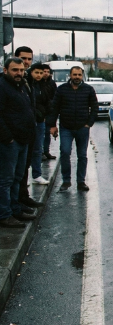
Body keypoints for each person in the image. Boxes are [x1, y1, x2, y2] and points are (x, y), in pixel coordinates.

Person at [47, 66, 98, 192]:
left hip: (82, 128)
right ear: (70, 75)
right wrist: (52, 125)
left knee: (82, 156)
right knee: (65, 153)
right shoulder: (62, 89)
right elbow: (55, 108)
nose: (77, 77)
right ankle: (66, 181)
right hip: (66, 128)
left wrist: (89, 124)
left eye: (79, 75)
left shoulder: (88, 89)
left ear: (82, 76)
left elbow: (94, 107)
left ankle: (81, 182)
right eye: (74, 74)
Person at [0, 57, 37, 227]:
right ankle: (4, 214)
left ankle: (15, 209)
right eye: (15, 70)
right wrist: (8, 137)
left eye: (22, 70)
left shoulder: (21, 86)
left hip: (23, 139)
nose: (19, 73)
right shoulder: (2, 87)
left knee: (17, 177)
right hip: (10, 142)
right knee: (6, 179)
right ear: (5, 70)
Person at [14, 46, 45, 211]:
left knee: (24, 168)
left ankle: (23, 197)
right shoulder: (14, 80)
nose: (26, 62)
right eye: (23, 58)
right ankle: (15, 204)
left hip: (28, 131)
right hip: (15, 134)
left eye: (29, 59)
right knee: (13, 172)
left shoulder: (28, 80)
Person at [28, 63, 51, 185]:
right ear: (31, 72)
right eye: (36, 72)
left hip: (40, 121)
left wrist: (45, 114)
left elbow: (47, 102)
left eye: (41, 73)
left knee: (37, 149)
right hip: (28, 121)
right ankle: (22, 177)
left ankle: (36, 175)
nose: (39, 75)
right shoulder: (27, 84)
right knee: (26, 149)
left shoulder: (43, 86)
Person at [40, 64, 57, 160]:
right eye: (44, 72)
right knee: (40, 133)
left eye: (47, 72)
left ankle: (46, 151)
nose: (46, 74)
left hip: (49, 111)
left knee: (47, 133)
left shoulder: (52, 83)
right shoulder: (38, 83)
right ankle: (41, 152)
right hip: (40, 112)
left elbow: (55, 97)